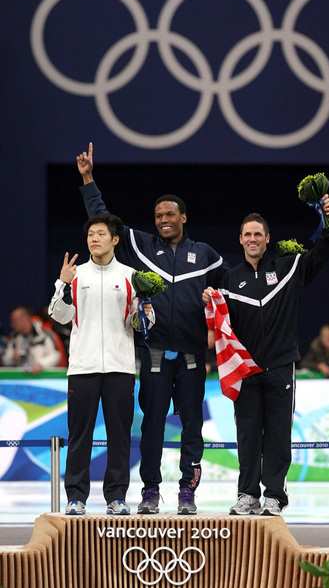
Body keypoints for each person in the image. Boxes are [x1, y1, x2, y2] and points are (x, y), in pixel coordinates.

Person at [75, 142, 227, 515]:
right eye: (158, 214)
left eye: (170, 214)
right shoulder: (141, 249)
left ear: (183, 217)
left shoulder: (206, 255)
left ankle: (187, 493)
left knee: (193, 429)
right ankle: (150, 491)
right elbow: (104, 220)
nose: (163, 219)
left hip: (192, 357)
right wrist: (88, 180)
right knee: (153, 429)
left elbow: (229, 293)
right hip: (154, 356)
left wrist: (216, 310)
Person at [203, 196, 329, 516]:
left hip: (279, 365)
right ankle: (247, 493)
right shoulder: (228, 279)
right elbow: (216, 320)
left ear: (267, 239)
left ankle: (274, 495)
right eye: (247, 234)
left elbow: (324, 250)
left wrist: (328, 219)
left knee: (279, 432)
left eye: (258, 234)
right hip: (245, 369)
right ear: (240, 239)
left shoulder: (289, 268)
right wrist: (208, 299)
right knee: (247, 433)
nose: (252, 239)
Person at [48, 214, 154, 516]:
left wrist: (145, 309)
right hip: (83, 367)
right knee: (79, 435)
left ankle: (116, 497)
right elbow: (60, 316)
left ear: (115, 239)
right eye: (91, 234)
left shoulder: (132, 276)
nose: (94, 239)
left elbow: (142, 324)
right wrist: (62, 285)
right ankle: (76, 497)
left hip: (120, 367)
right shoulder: (77, 275)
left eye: (101, 234)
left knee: (120, 435)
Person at [3, 307, 60, 372]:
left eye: (14, 321)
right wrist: (12, 357)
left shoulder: (45, 334)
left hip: (44, 376)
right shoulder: (15, 338)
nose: (12, 325)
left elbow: (56, 356)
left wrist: (41, 364)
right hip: (23, 377)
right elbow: (6, 360)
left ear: (24, 319)